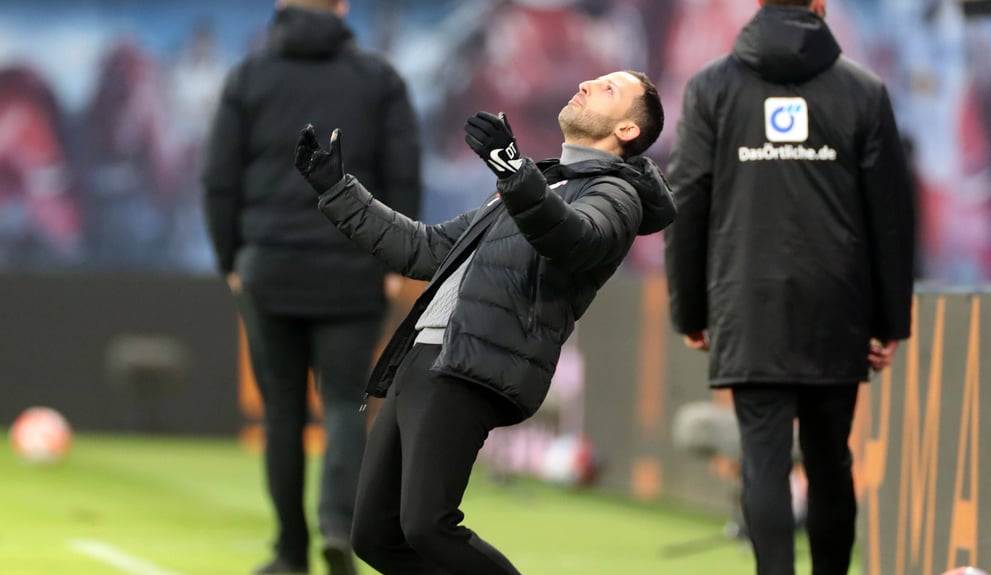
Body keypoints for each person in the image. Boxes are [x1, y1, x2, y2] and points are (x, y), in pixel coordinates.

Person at [294, 69, 675, 575]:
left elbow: (576, 240)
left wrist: (513, 169)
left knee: (427, 525)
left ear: (627, 129)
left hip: (473, 363)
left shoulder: (617, 192)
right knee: (376, 538)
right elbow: (427, 249)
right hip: (424, 355)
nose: (586, 85)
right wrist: (337, 190)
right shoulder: (543, 181)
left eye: (608, 89)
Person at [662, 0, 915, 574]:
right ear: (819, 4)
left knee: (764, 461)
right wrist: (889, 320)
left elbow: (688, 202)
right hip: (837, 303)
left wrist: (691, 310)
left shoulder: (710, 88)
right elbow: (891, 218)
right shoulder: (864, 91)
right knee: (830, 461)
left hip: (747, 300)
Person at [201, 0, 422, 573]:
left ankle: (289, 551)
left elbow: (219, 178)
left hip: (268, 265)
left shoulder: (249, 77)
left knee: (282, 412)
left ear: (281, 5)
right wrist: (396, 260)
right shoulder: (379, 80)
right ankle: (337, 526)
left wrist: (230, 258)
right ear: (342, 7)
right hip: (353, 265)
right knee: (346, 402)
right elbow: (403, 172)